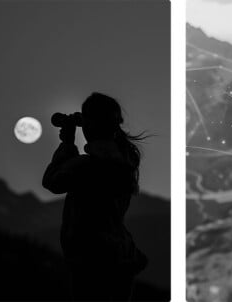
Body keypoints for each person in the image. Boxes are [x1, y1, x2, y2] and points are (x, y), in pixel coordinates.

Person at [43, 92, 147, 301]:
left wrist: (67, 144)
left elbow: (52, 181)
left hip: (91, 261)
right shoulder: (123, 164)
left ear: (89, 126)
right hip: (119, 257)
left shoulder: (88, 167)